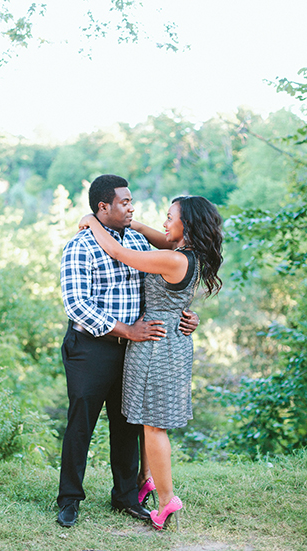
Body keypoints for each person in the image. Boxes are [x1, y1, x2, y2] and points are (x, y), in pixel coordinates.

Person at [56, 174, 199, 528]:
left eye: (131, 200)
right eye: (124, 202)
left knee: (128, 424)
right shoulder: (80, 245)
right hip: (90, 347)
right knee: (81, 425)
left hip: (134, 350)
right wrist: (127, 330)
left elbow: (166, 284)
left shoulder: (136, 240)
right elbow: (77, 305)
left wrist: (185, 314)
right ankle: (69, 499)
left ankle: (124, 497)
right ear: (103, 206)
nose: (131, 207)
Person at [79, 194, 222, 530]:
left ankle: (167, 499)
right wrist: (132, 223)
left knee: (153, 424)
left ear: (187, 224)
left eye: (169, 216)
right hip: (169, 341)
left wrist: (93, 221)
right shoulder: (188, 253)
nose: (164, 222)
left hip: (157, 346)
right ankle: (147, 480)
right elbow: (150, 234)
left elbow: (118, 252)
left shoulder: (173, 260)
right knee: (146, 419)